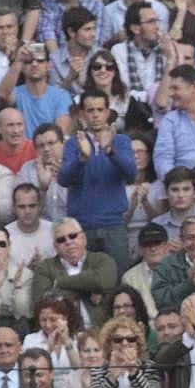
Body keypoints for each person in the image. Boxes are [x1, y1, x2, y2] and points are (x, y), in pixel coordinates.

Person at [57, 89, 135, 275]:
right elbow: (63, 179)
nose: (96, 115)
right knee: (84, 281)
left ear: (108, 112)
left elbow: (131, 174)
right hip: (82, 227)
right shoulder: (73, 144)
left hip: (113, 225)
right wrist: (82, 158)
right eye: (90, 110)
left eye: (100, 109)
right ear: (82, 114)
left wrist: (110, 151)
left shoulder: (122, 141)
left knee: (118, 280)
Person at [30, 217, 117, 330]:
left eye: (73, 236)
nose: (68, 242)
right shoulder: (45, 267)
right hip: (60, 333)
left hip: (99, 332)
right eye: (61, 240)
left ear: (83, 238)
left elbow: (103, 281)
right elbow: (42, 304)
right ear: (55, 247)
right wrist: (88, 287)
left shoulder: (102, 259)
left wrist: (59, 283)